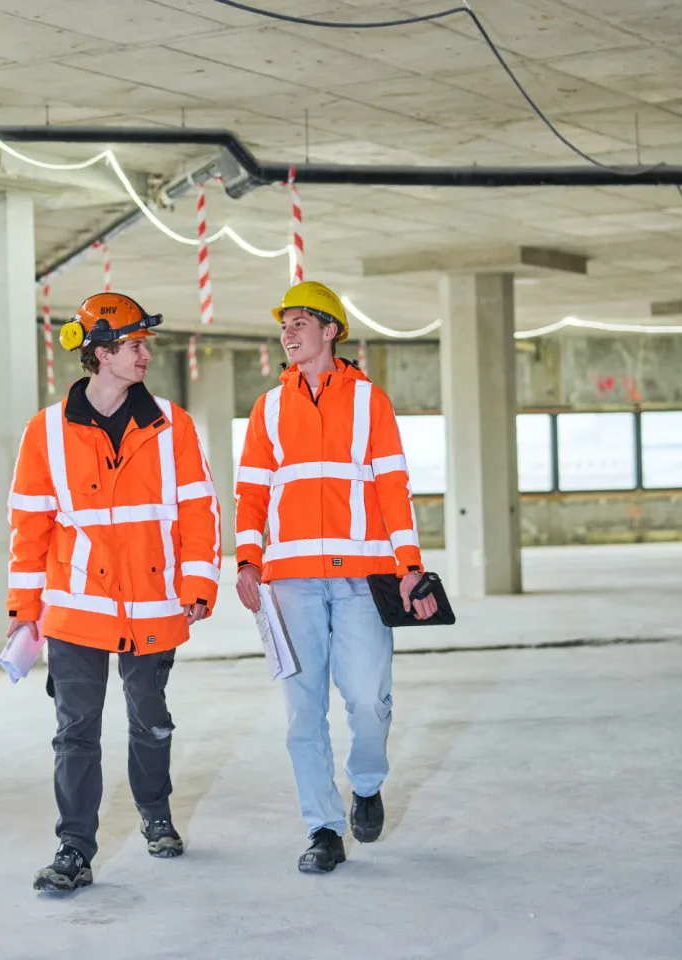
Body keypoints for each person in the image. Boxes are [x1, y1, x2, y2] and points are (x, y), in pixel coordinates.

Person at [7, 292, 222, 893]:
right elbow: (30, 525)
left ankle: (156, 814)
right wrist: (24, 611)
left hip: (153, 604)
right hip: (75, 608)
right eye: (133, 345)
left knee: (150, 720)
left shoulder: (171, 424)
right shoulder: (46, 431)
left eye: (143, 344)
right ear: (101, 353)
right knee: (76, 730)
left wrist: (200, 579)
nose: (144, 354)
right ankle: (73, 846)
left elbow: (199, 510)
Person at [234, 280, 439, 874]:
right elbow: (251, 492)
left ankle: (367, 784)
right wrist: (247, 559)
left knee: (369, 701)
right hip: (291, 582)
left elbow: (392, 488)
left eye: (301, 321)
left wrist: (409, 568)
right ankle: (322, 828)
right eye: (284, 324)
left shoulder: (370, 401)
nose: (289, 332)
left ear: (331, 331)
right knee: (303, 713)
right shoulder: (269, 407)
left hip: (362, 582)